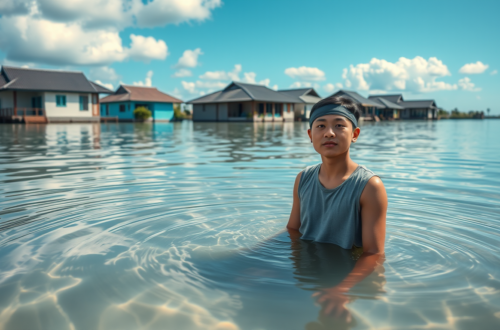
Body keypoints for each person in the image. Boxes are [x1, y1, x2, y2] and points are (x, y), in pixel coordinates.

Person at [286, 96, 388, 319]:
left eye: (339, 125)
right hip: (311, 269)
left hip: (348, 273)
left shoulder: (370, 186)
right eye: (321, 125)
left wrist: (341, 290)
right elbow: (294, 230)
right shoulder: (303, 178)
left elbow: (373, 253)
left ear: (355, 134)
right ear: (310, 135)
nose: (329, 133)